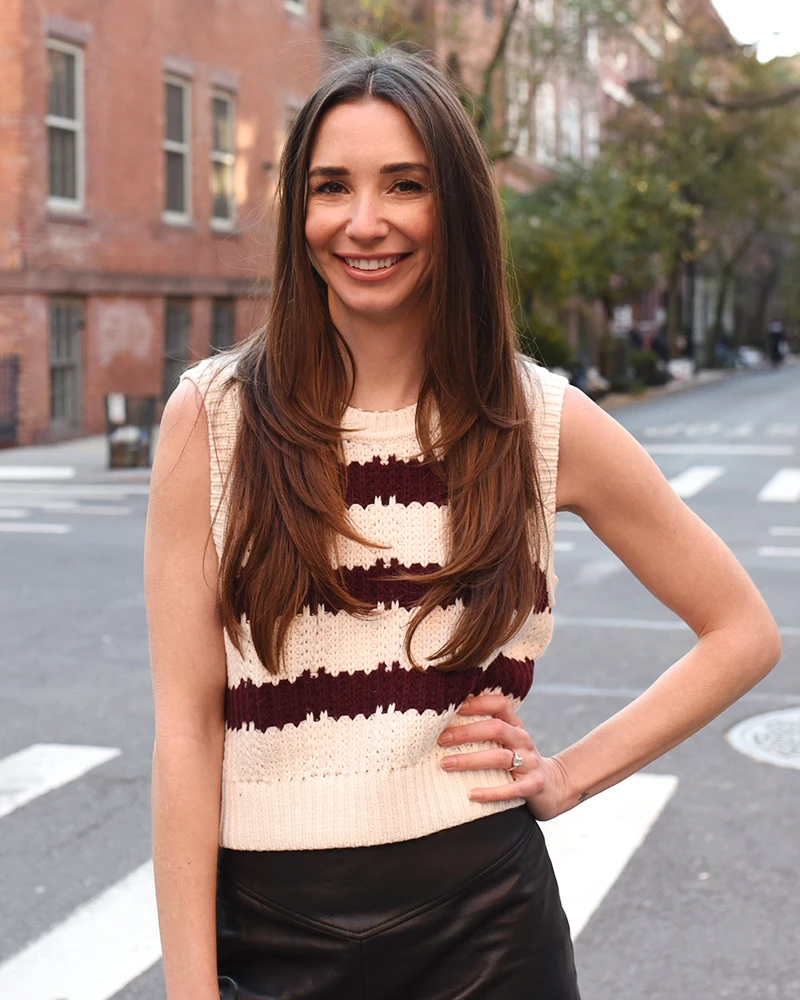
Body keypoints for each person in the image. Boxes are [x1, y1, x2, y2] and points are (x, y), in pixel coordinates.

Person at [144, 50, 782, 1000]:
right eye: (331, 187)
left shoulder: (541, 423)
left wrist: (568, 775)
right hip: (270, 927)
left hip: (488, 925)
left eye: (406, 184)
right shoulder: (215, 417)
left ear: (459, 209)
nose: (365, 222)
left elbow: (743, 633)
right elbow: (188, 734)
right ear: (297, 214)